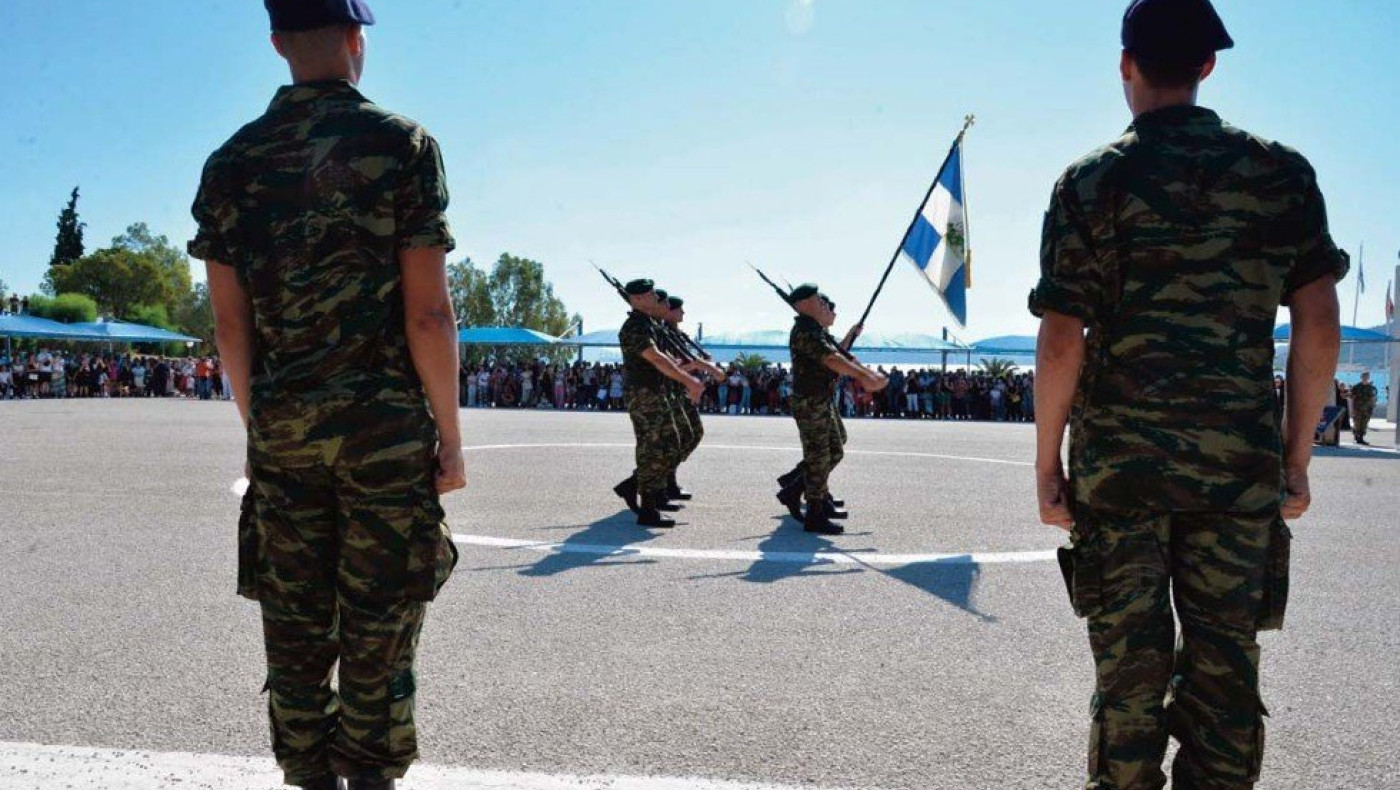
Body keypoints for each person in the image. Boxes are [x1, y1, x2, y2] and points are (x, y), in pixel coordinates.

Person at [1030, 2, 1347, 788]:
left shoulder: (1090, 182)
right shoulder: (1281, 175)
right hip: (1235, 470)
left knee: (1129, 680)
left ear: (1125, 64)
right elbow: (1317, 326)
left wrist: (1046, 466)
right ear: (1209, 66)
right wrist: (1295, 457)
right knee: (1225, 671)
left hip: (1121, 471)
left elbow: (1063, 336)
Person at [189, 2, 463, 788]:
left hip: (284, 430)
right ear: (356, 39)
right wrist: (449, 434)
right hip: (383, 432)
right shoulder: (403, 146)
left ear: (277, 43)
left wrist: (265, 425)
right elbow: (428, 311)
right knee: (381, 618)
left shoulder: (231, 162)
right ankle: (372, 771)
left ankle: (306, 771)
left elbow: (230, 329)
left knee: (296, 619)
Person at [777, 285, 886, 534]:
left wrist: (866, 373)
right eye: (817, 300)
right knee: (819, 456)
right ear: (803, 304)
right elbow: (832, 360)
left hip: (820, 399)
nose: (823, 304)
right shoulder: (805, 331)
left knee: (833, 450)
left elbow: (840, 355)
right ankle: (813, 512)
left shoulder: (816, 331)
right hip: (810, 401)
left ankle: (795, 489)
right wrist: (865, 378)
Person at [611, 279, 704, 528]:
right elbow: (656, 358)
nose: (656, 297)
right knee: (652, 448)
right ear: (638, 299)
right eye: (650, 294)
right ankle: (648, 508)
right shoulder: (635, 327)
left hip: (656, 392)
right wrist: (689, 380)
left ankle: (638, 488)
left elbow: (665, 358)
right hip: (643, 394)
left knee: (669, 443)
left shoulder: (648, 326)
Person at [659, 294, 724, 502]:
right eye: (679, 309)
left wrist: (700, 362)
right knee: (677, 438)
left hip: (680, 390)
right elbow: (668, 366)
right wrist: (697, 365)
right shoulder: (661, 334)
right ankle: (654, 481)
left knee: (691, 434)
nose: (683, 313)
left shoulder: (677, 334)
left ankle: (666, 479)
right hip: (668, 391)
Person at [1349, 371, 1378, 445]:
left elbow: (1374, 398)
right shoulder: (1356, 387)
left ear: (1368, 378)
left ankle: (1361, 438)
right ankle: (1357, 436)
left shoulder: (1371, 388)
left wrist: (1373, 406)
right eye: (1364, 376)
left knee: (1364, 423)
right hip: (1357, 409)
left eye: (1367, 377)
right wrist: (1352, 409)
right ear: (1361, 377)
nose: (1365, 378)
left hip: (1367, 409)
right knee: (1357, 423)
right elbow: (1352, 397)